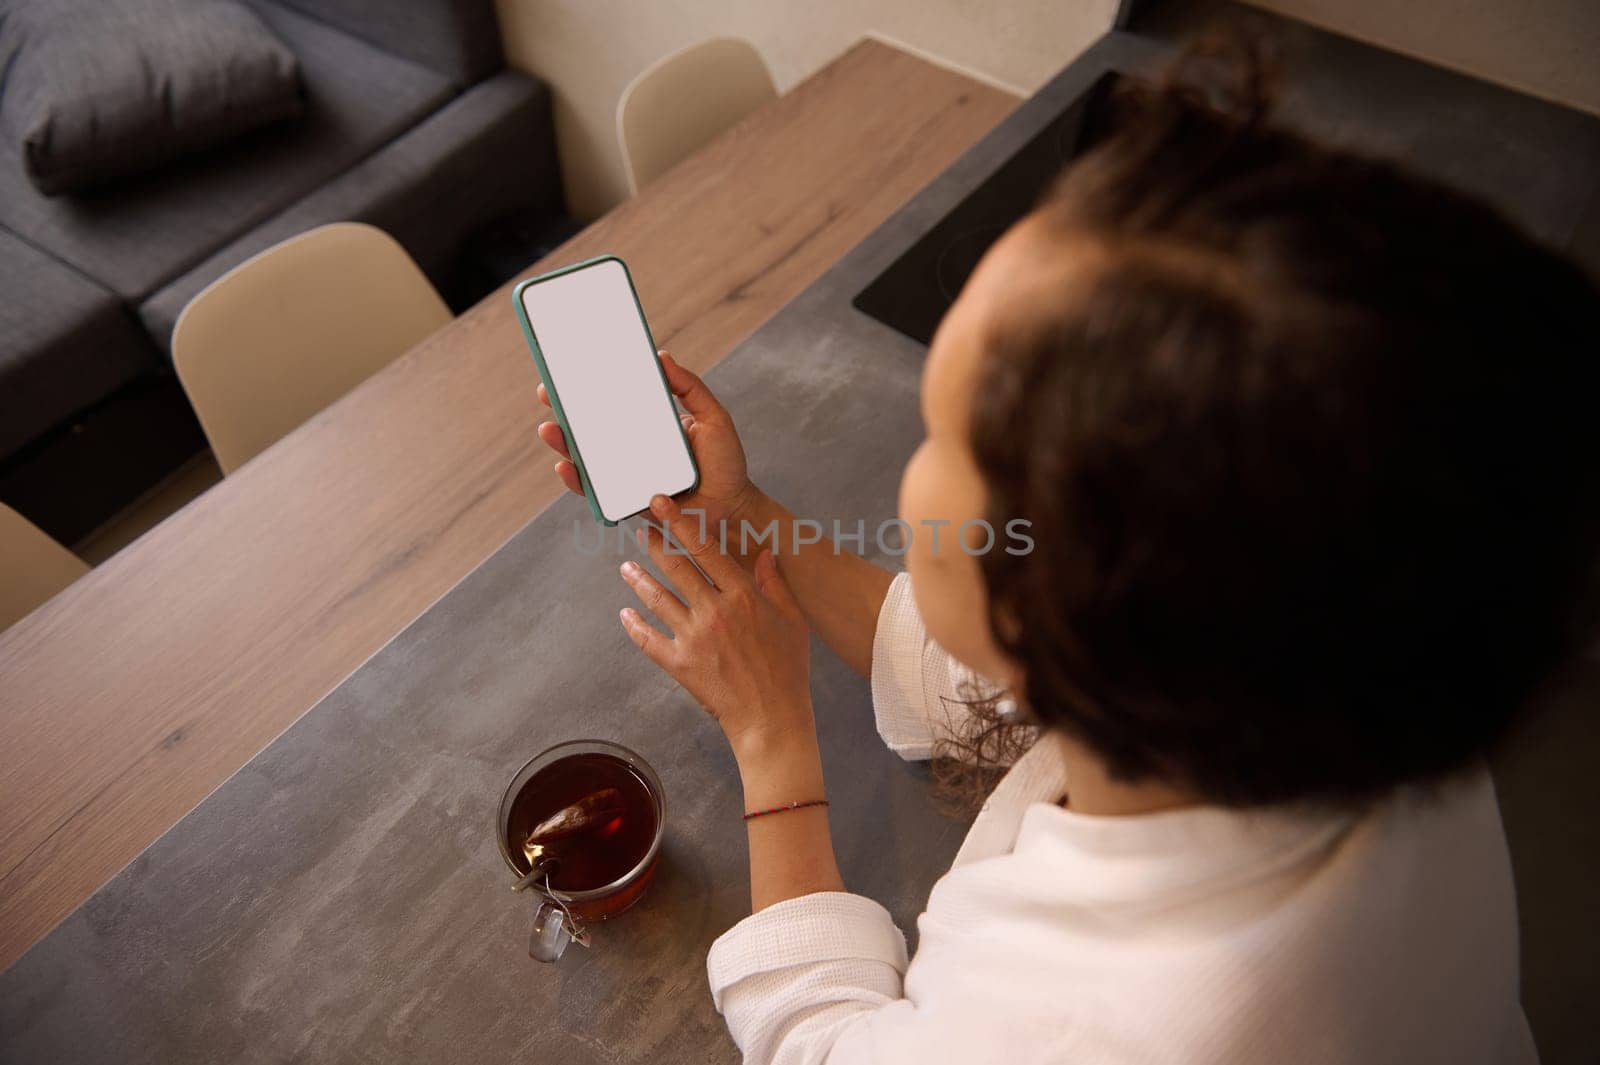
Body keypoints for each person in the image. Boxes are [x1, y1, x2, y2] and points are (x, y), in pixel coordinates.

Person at [533, 48, 1600, 1065]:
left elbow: (824, 1043)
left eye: (944, 435)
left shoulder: (1097, 1028)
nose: (917, 461)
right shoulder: (1362, 640)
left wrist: (772, 745)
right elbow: (980, 665)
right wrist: (745, 512)